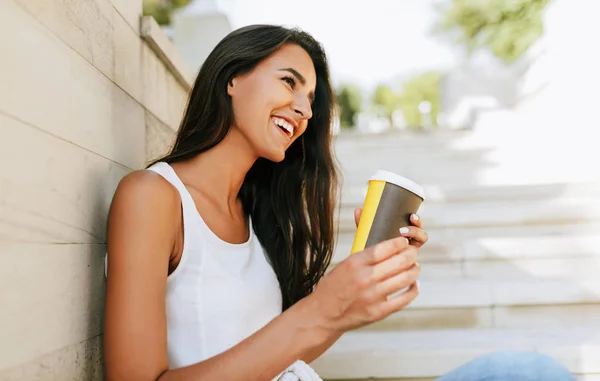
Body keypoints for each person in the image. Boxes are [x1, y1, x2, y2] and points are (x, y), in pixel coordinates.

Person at [103, 25, 575, 381]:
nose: (305, 109)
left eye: (310, 99)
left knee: (523, 370)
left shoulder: (254, 212)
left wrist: (351, 305)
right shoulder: (152, 197)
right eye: (289, 82)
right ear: (232, 77)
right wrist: (320, 309)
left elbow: (277, 357)